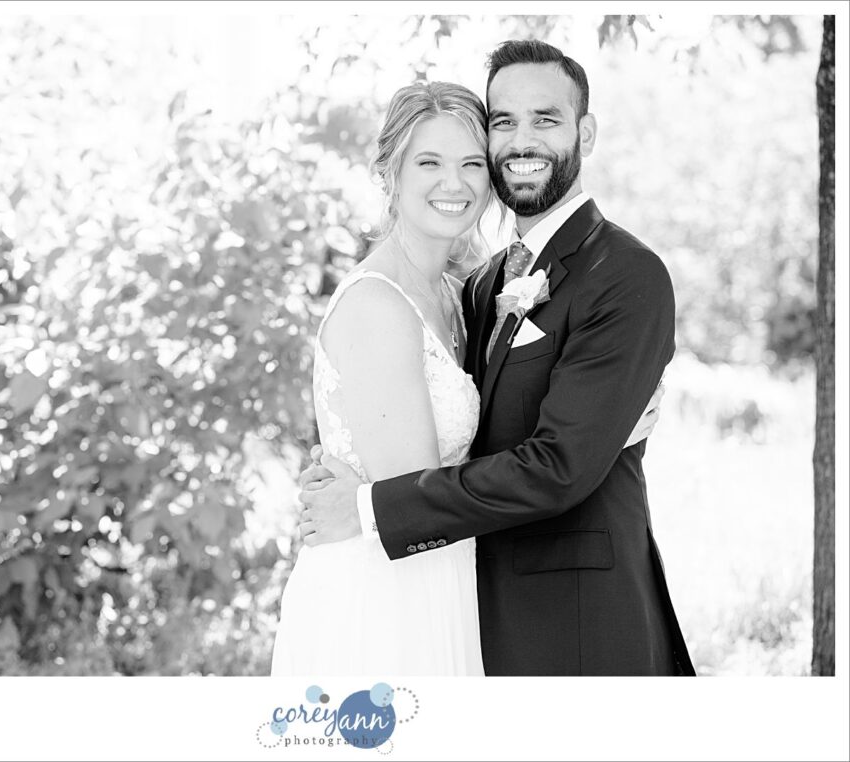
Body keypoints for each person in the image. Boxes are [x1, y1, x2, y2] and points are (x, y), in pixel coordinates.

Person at [297, 40, 695, 676]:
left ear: (585, 133)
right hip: (453, 603)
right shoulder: (479, 288)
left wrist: (368, 507)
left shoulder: (625, 274)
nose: (521, 140)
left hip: (580, 621)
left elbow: (559, 467)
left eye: (546, 118)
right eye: (504, 121)